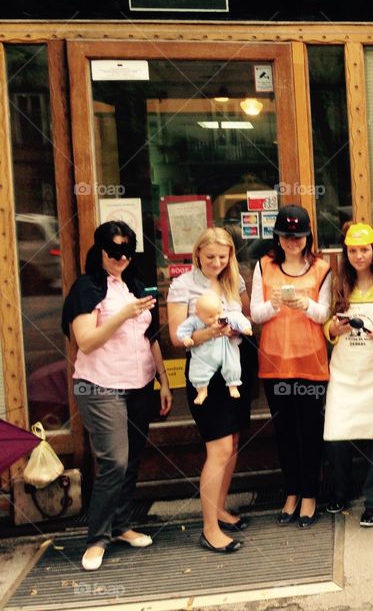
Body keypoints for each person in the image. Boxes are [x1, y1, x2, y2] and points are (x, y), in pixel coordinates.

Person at [62, 221, 173, 571]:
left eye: (128, 250)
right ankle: (97, 538)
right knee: (115, 461)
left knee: (133, 458)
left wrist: (164, 380)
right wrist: (123, 314)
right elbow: (86, 341)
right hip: (100, 385)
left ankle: (122, 525)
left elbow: (150, 337)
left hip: (139, 384)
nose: (121, 257)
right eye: (114, 251)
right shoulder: (87, 288)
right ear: (100, 251)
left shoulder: (135, 285)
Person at [168, 227, 253, 553]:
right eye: (210, 257)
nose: (216, 262)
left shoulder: (236, 281)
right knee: (217, 449)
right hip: (205, 375)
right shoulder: (182, 285)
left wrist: (238, 326)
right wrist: (211, 332)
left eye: (223, 256)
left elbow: (246, 320)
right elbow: (177, 337)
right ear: (197, 255)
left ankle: (218, 508)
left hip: (234, 368)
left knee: (232, 443)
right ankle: (209, 529)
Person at [250, 205, 332, 528]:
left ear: (308, 236)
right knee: (284, 432)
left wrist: (306, 305)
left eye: (298, 236)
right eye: (286, 235)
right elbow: (254, 313)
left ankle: (310, 495)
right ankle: (291, 493)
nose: (292, 241)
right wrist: (274, 305)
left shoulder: (322, 268)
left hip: (310, 361)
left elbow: (325, 313)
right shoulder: (263, 266)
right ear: (278, 237)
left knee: (310, 432)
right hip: (275, 362)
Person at [323, 223, 373, 528]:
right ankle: (342, 490)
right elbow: (325, 323)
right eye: (353, 250)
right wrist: (333, 328)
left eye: (364, 250)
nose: (359, 256)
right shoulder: (338, 284)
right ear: (346, 253)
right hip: (345, 371)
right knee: (336, 433)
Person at [178, 291, 252, 405]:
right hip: (204, 353)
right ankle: (202, 390)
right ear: (198, 314)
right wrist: (185, 338)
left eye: (218, 312)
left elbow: (238, 318)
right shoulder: (194, 321)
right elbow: (183, 329)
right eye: (210, 316)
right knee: (198, 370)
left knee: (233, 364)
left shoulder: (225, 316)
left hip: (225, 348)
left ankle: (233, 385)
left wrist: (245, 328)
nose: (216, 317)